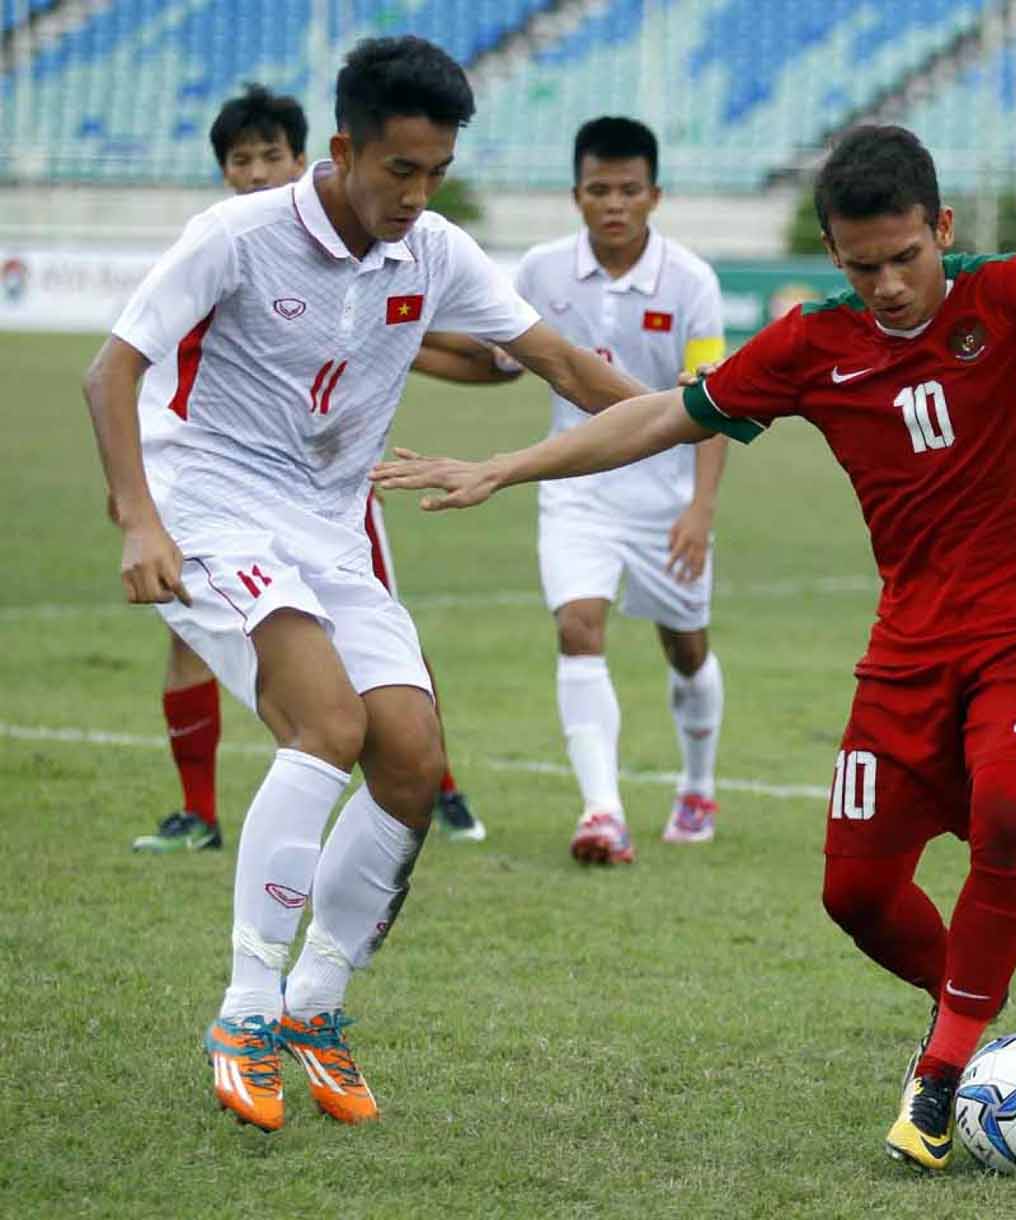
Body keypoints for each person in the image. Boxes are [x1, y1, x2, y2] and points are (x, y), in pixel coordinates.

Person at [371, 124, 1016, 1170]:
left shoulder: (1015, 290)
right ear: (831, 254)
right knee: (853, 893)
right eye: (862, 265)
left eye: (905, 257)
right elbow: (666, 415)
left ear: (941, 227)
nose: (888, 285)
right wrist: (509, 464)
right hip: (907, 646)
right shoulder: (814, 342)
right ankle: (975, 1001)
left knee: (1009, 810)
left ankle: (937, 1078)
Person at [84, 36, 649, 1131]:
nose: (418, 193)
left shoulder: (432, 248)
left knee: (413, 758)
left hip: (330, 526)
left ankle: (315, 1005)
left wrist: (712, 409)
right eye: (400, 169)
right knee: (327, 724)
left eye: (436, 171)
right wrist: (138, 518)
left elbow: (567, 368)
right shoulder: (236, 234)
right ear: (342, 149)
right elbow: (113, 369)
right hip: (210, 502)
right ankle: (245, 1008)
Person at [131, 82, 510, 855]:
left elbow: (462, 353)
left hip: (333, 494)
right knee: (198, 641)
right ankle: (199, 811)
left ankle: (433, 782)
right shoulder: (224, 246)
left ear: (308, 157)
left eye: (272, 154)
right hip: (216, 493)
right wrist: (134, 500)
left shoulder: (382, 245)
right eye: (242, 160)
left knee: (380, 631)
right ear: (225, 173)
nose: (259, 170)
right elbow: (138, 369)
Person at [512, 116, 729, 863]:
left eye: (628, 190)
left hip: (664, 498)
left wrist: (699, 509)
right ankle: (602, 813)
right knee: (577, 625)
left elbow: (711, 407)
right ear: (575, 195)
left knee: (686, 647)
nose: (614, 204)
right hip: (575, 487)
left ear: (654, 195)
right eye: (598, 190)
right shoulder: (539, 270)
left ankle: (697, 786)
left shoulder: (691, 281)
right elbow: (502, 358)